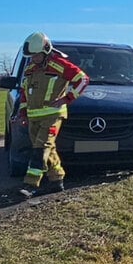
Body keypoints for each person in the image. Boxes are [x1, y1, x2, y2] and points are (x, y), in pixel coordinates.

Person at [18, 32, 89, 197]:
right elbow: (24, 93)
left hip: (53, 115)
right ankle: (57, 179)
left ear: (46, 51)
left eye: (36, 55)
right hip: (33, 116)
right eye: (31, 55)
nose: (34, 58)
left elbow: (83, 79)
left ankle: (30, 184)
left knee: (41, 148)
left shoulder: (59, 64)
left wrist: (67, 98)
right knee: (49, 148)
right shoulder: (29, 70)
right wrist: (22, 114)